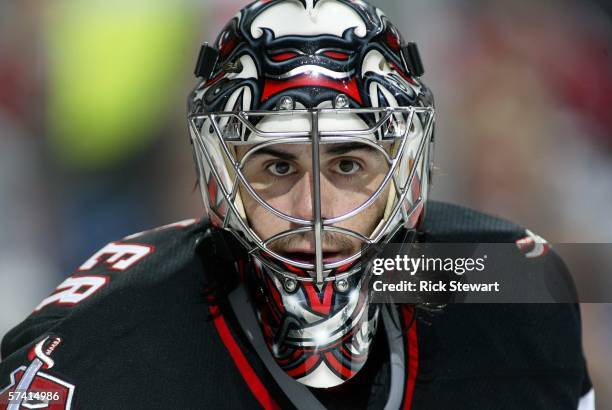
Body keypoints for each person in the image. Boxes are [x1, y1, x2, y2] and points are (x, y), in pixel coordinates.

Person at [0, 1, 594, 409]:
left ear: (406, 172)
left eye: (349, 164)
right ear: (220, 176)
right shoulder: (91, 348)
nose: (313, 209)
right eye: (278, 165)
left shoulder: (512, 284)